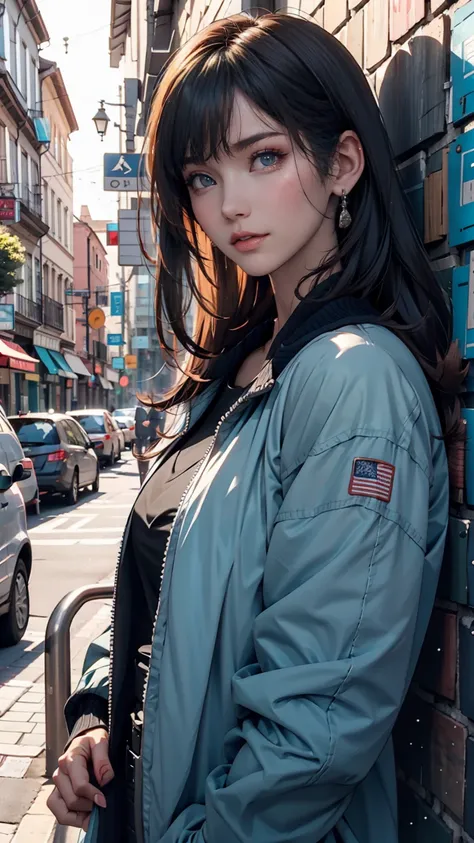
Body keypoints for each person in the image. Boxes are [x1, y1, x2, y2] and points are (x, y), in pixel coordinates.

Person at [47, 13, 464, 843]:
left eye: (264, 157)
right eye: (203, 176)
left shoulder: (355, 382)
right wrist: (96, 716)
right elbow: (167, 597)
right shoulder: (236, 366)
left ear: (343, 162)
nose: (229, 205)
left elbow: (317, 723)